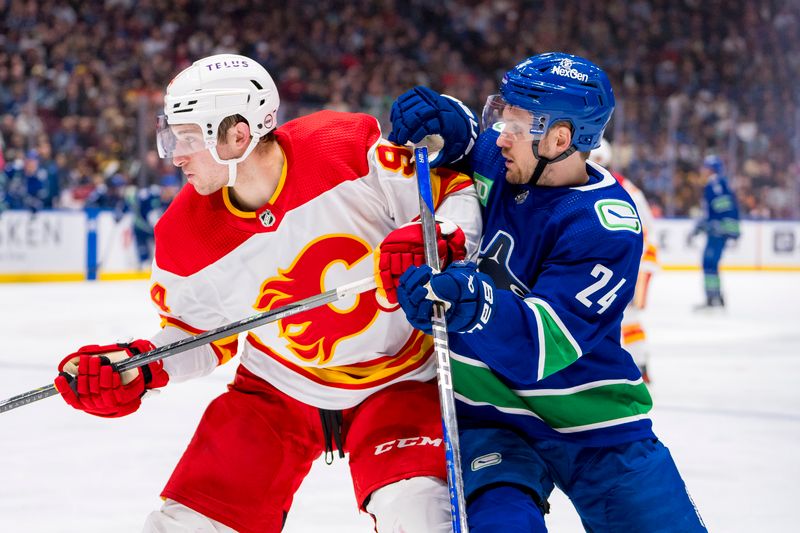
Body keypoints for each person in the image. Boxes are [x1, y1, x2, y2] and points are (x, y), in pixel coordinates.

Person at [52, 53, 482, 533]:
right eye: (171, 136)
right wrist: (134, 368)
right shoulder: (183, 235)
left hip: (400, 380)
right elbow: (198, 336)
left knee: (420, 513)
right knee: (186, 526)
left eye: (188, 138)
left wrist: (442, 238)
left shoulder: (343, 145)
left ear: (237, 134)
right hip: (277, 392)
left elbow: (452, 194)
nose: (174, 155)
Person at [390, 52, 705, 531]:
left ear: (559, 139)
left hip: (594, 424)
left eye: (515, 124)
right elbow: (470, 140)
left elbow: (542, 348)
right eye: (501, 115)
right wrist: (449, 119)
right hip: (492, 417)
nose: (500, 133)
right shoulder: (503, 158)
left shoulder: (604, 224)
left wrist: (470, 304)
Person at [590, 138, 659, 382]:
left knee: (628, 314)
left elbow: (642, 232)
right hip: (629, 261)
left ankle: (639, 365)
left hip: (637, 262)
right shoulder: (611, 184)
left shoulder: (618, 187)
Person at [689, 154, 740, 310]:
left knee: (709, 262)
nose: (703, 170)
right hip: (720, 229)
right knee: (711, 263)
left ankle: (713, 298)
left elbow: (721, 207)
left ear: (711, 169)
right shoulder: (719, 183)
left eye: (706, 167)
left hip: (718, 231)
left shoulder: (715, 183)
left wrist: (708, 225)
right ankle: (716, 296)